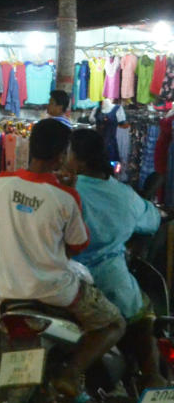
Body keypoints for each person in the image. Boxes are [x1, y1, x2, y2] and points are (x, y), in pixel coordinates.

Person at [0, 117, 124, 398]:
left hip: (7, 289)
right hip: (54, 290)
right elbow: (78, 245)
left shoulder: (1, 184)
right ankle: (72, 372)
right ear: (62, 155)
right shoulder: (66, 197)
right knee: (114, 324)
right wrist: (68, 190)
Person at [67, 128, 163, 389]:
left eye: (69, 153)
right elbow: (152, 220)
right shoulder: (124, 196)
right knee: (142, 313)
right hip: (109, 278)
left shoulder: (64, 190)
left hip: (62, 277)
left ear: (80, 160)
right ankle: (152, 376)